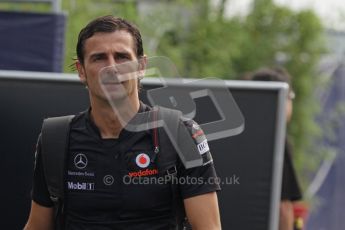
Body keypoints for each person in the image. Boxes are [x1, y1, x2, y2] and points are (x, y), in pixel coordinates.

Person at [24, 16, 221, 230]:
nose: (111, 68)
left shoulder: (182, 134)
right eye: (99, 58)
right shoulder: (55, 139)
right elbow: (37, 226)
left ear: (142, 65)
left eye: (121, 57)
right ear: (81, 70)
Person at [245, 67, 303, 230]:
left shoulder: (237, 137)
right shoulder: (277, 139)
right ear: (282, 97)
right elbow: (282, 206)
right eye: (291, 97)